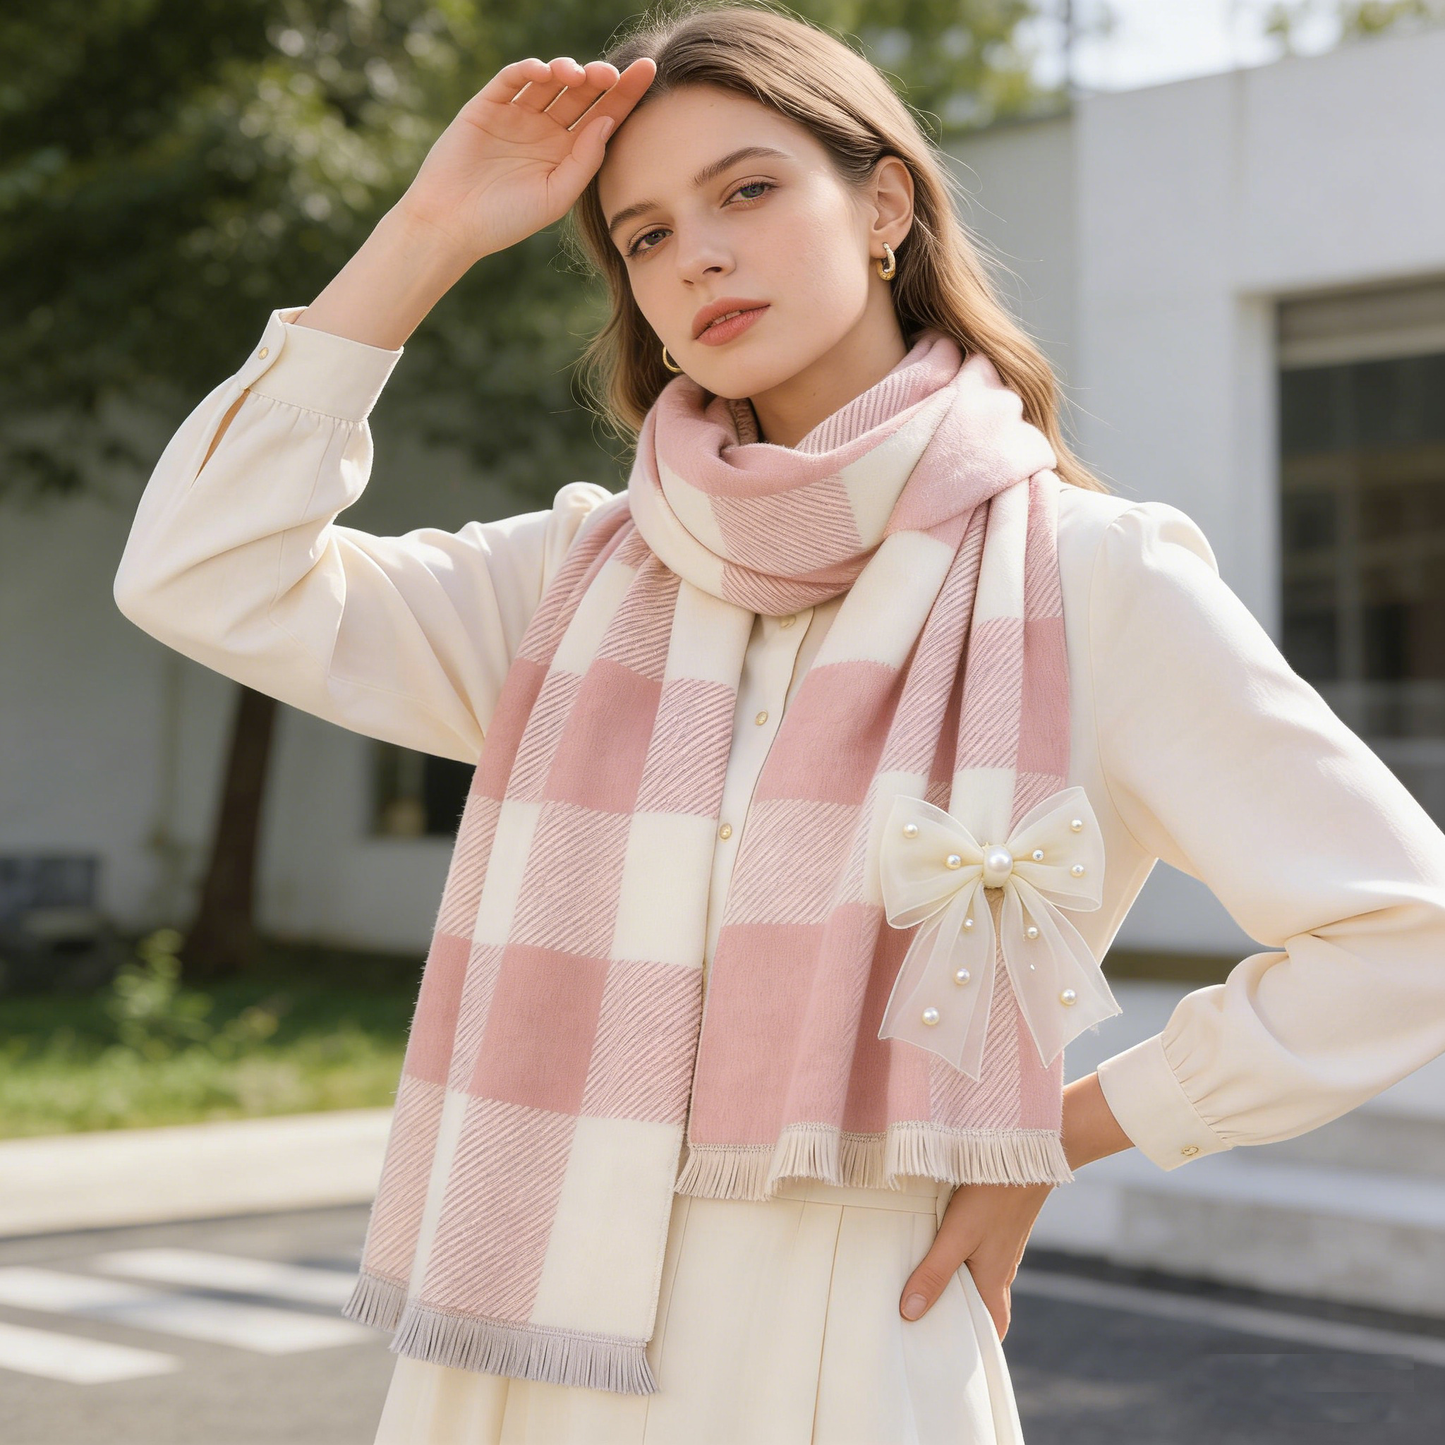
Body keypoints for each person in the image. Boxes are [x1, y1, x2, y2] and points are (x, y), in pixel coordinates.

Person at [112, 5, 1445, 1442]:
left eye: (747, 189)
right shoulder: (575, 584)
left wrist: (1060, 1135)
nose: (698, 254)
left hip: (833, 1358)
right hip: (515, 1355)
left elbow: (1404, 934)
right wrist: (432, 228)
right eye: (643, 234)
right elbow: (203, 571)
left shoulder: (1087, 581)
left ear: (884, 205)